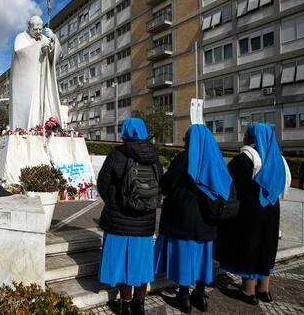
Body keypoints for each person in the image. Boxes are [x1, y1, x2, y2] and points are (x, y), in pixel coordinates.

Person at [154, 124, 233, 313]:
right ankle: (200, 295)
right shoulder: (216, 160)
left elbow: (166, 184)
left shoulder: (184, 158)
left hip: (183, 219)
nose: (184, 142)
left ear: (191, 140)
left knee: (183, 258)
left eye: (186, 138)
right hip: (207, 221)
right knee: (202, 259)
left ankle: (183, 297)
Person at [214, 123, 290, 305]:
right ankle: (264, 290)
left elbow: (228, 183)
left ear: (252, 137)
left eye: (246, 133)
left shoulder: (247, 158)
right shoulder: (278, 159)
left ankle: (248, 292)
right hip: (272, 210)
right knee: (266, 245)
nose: (244, 136)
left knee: (250, 245)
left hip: (251, 211)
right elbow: (285, 184)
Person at [97, 118, 163, 315]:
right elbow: (160, 184)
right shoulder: (154, 156)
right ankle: (139, 305)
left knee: (122, 264)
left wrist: (114, 200)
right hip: (144, 222)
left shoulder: (117, 154)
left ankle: (125, 305)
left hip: (119, 222)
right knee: (141, 265)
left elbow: (102, 183)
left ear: (125, 132)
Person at [9, 16, 64, 129]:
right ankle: (28, 128)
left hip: (43, 79)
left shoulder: (44, 38)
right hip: (28, 81)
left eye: (40, 29)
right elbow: (20, 54)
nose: (39, 32)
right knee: (31, 107)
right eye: (35, 29)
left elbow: (57, 56)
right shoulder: (21, 38)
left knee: (44, 103)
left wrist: (53, 39)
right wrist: (39, 47)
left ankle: (46, 125)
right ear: (29, 27)